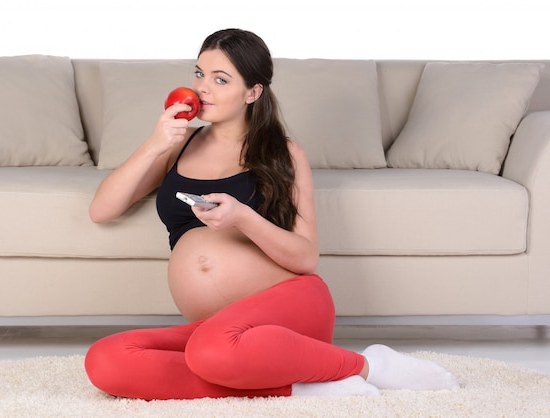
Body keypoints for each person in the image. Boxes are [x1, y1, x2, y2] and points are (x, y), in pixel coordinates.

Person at [84, 28, 459, 400]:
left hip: (289, 310)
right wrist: (156, 142)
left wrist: (243, 218)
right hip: (216, 330)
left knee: (212, 351)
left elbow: (306, 256)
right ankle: (298, 385)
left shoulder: (285, 153)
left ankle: (371, 366)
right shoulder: (177, 146)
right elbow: (102, 210)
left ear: (253, 92)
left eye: (220, 79)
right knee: (106, 360)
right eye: (199, 74)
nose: (203, 88)